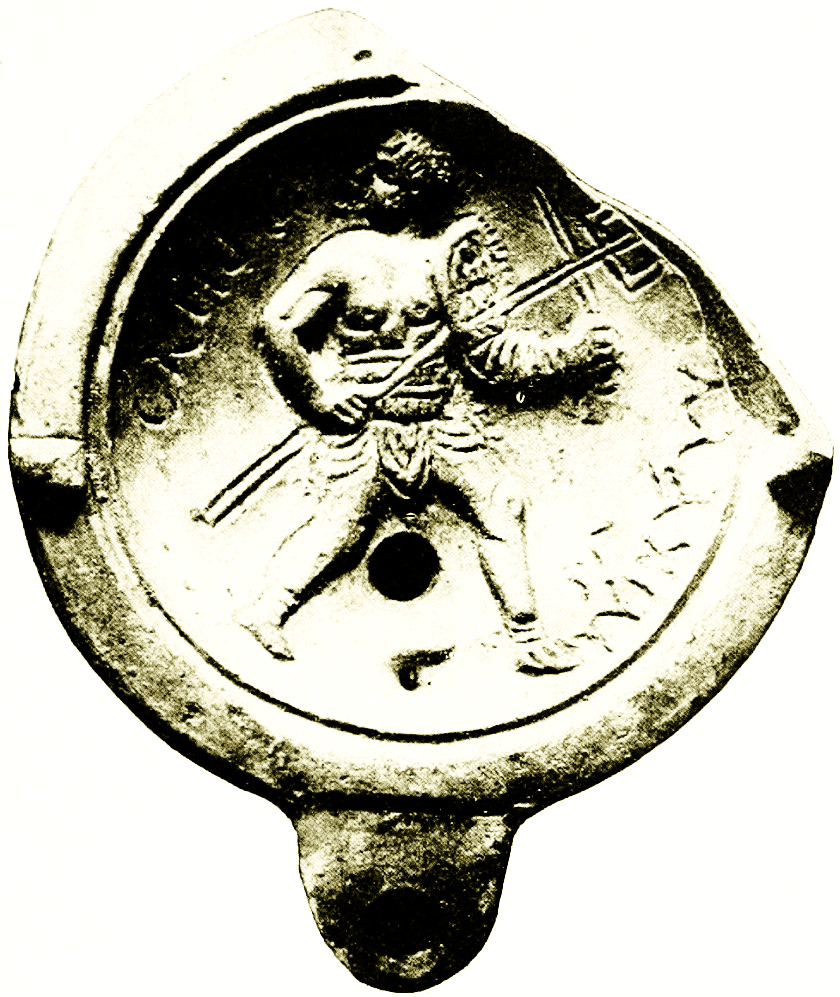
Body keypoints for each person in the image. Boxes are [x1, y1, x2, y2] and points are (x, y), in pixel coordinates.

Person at [238, 128, 594, 673]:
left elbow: (489, 353)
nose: (371, 185)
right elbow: (277, 324)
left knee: (501, 503)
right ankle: (266, 612)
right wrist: (319, 398)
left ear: (412, 189)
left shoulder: (449, 259)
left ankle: (528, 637)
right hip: (364, 423)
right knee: (340, 531)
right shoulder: (345, 254)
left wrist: (569, 354)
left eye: (385, 176)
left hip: (439, 420)